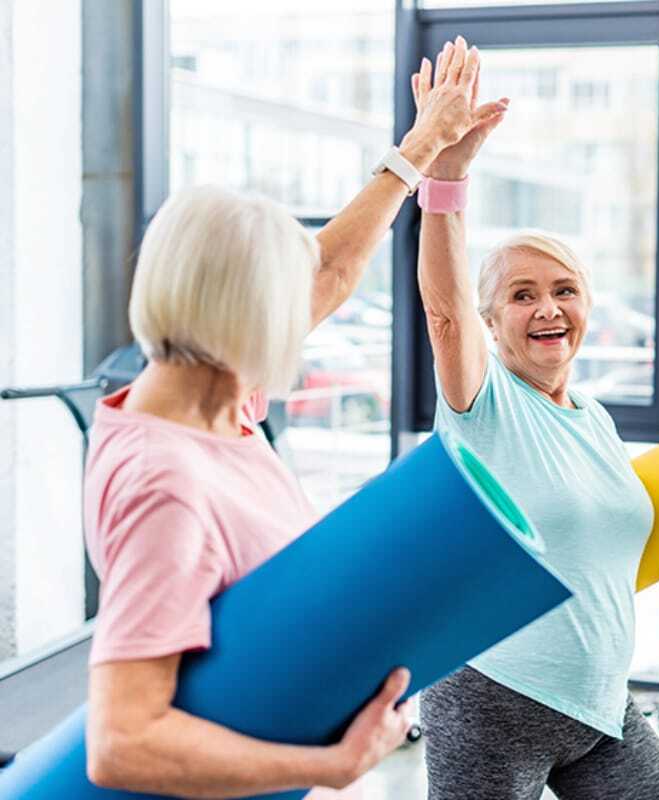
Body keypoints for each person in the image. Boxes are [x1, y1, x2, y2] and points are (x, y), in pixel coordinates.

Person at [83, 43, 509, 799]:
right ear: (245, 315)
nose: (304, 308)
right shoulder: (169, 483)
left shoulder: (212, 392)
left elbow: (334, 268)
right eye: (283, 297)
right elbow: (122, 743)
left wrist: (425, 151)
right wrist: (331, 767)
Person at [414, 35, 659, 800]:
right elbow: (444, 313)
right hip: (490, 691)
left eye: (564, 289)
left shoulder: (595, 420)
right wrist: (447, 176)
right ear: (493, 318)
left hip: (600, 703)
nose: (547, 308)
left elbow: (589, 546)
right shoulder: (482, 399)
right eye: (521, 295)